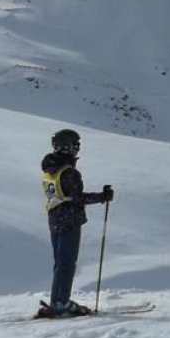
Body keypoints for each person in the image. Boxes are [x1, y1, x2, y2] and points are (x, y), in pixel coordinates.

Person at [38, 129, 114, 318]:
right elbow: (78, 199)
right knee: (67, 264)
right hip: (69, 220)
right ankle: (61, 302)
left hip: (54, 218)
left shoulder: (49, 169)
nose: (77, 148)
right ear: (68, 146)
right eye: (75, 144)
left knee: (60, 263)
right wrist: (102, 197)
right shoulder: (69, 172)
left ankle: (57, 300)